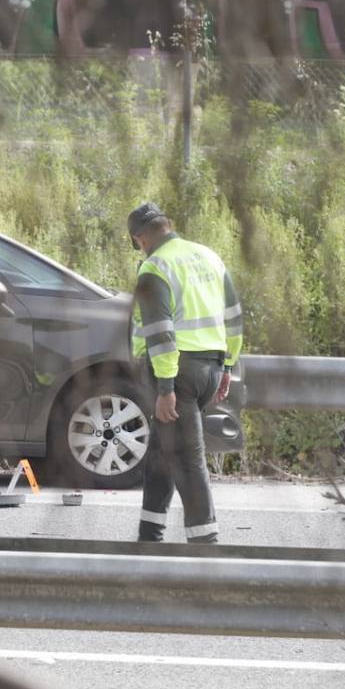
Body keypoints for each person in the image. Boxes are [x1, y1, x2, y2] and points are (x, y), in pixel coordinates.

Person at [127, 202, 243, 544]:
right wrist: (227, 365)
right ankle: (149, 535)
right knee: (163, 453)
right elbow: (234, 318)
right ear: (169, 224)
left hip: (177, 374)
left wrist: (164, 388)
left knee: (187, 459)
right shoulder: (209, 256)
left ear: (140, 239)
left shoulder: (155, 266)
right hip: (210, 368)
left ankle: (205, 545)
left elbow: (161, 333)